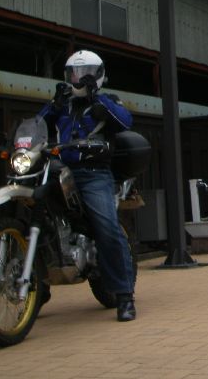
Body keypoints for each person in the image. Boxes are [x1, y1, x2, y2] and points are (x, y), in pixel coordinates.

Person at [39, 50, 137, 322]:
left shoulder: (107, 100)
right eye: (75, 73)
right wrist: (53, 106)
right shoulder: (63, 103)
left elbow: (125, 121)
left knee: (106, 226)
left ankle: (124, 295)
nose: (80, 78)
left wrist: (97, 100)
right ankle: (36, 289)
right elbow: (37, 125)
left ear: (99, 75)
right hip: (60, 171)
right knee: (36, 216)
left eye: (87, 73)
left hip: (94, 173)